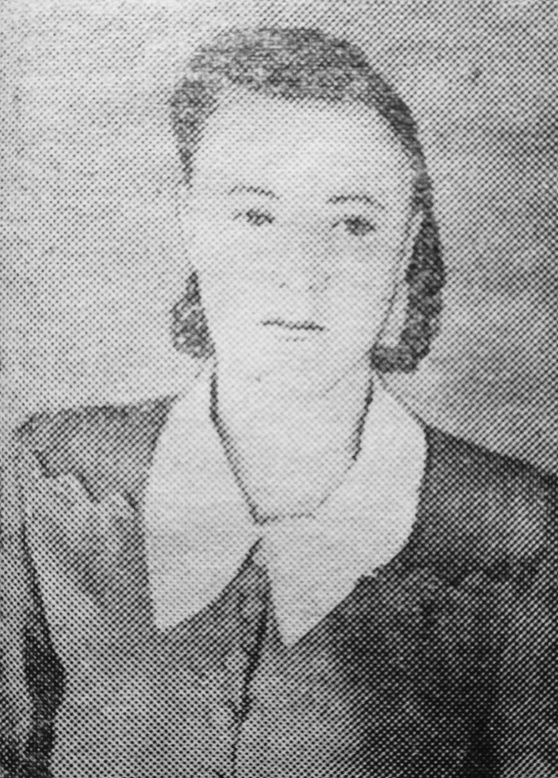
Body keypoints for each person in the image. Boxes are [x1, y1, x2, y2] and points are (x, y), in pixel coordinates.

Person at [2, 26, 557, 778]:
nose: (302, 273)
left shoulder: (520, 529)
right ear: (190, 222)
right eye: (255, 215)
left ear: (406, 246)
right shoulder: (51, 475)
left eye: (353, 224)